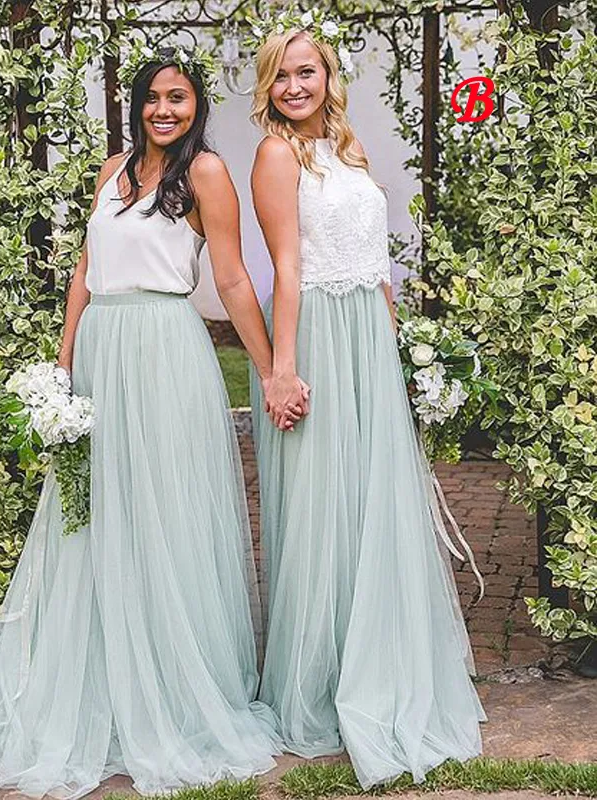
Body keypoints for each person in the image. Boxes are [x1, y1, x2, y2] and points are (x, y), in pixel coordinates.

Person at [0, 44, 292, 799]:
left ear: (197, 105)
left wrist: (270, 368)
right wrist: (62, 367)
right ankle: (98, 681)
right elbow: (83, 271)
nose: (166, 109)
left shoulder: (205, 174)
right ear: (135, 103)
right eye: (153, 97)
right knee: (94, 515)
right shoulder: (110, 171)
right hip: (104, 354)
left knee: (163, 513)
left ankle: (173, 687)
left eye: (180, 97)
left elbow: (233, 277)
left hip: (167, 352)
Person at [247, 11, 486, 790]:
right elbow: (285, 266)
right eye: (281, 74)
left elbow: (377, 266)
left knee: (370, 502)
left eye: (306, 72)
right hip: (313, 335)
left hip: (366, 340)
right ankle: (316, 686)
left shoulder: (348, 150)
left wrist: (398, 352)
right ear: (268, 84)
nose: (294, 86)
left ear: (328, 78)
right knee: (322, 510)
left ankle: (378, 660)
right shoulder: (274, 156)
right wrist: (281, 369)